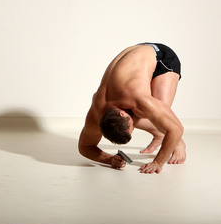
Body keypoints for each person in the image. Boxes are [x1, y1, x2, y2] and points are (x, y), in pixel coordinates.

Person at [78, 43, 186, 174]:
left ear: (122, 114)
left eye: (132, 127)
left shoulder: (140, 100)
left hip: (160, 57)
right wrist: (110, 159)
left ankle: (178, 142)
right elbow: (84, 147)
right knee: (148, 117)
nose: (134, 127)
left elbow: (176, 128)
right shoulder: (96, 115)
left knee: (161, 115)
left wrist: (158, 162)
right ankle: (160, 134)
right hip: (134, 55)